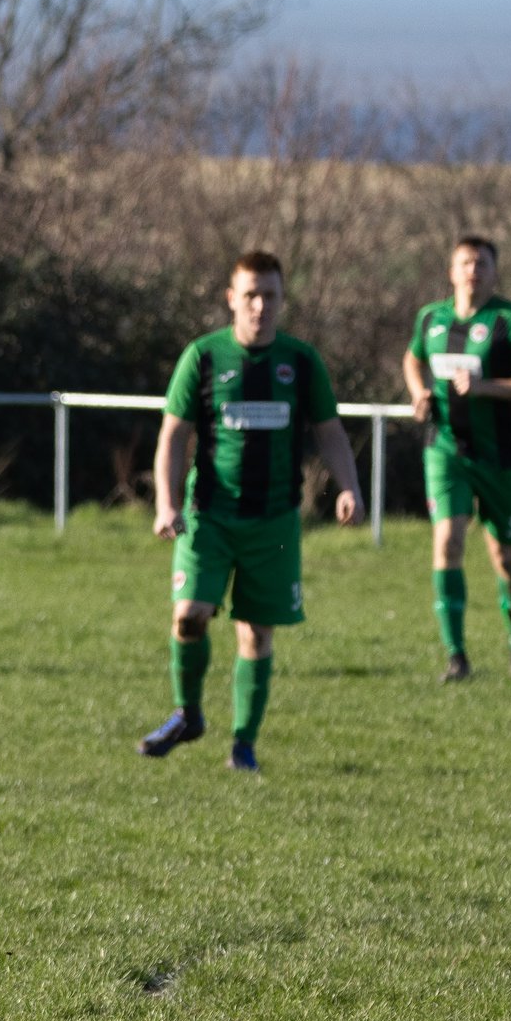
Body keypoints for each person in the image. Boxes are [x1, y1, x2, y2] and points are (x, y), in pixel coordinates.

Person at [139, 251, 366, 773]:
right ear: (231, 299)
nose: (261, 306)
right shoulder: (203, 356)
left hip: (275, 522)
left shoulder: (301, 362)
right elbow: (174, 434)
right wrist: (166, 502)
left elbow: (329, 432)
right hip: (208, 515)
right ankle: (188, 713)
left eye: (271, 295)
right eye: (251, 296)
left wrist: (348, 486)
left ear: (283, 299)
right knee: (189, 616)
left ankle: (243, 745)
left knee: (255, 634)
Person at [401, 236, 511, 681]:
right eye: (465, 262)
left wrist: (489, 388)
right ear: (451, 271)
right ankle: (456, 656)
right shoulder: (430, 320)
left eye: (482, 263)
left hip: (501, 456)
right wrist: (418, 392)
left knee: (505, 557)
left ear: (494, 272)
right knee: (448, 539)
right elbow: (413, 360)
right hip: (447, 449)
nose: (473, 270)